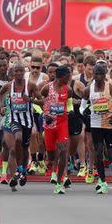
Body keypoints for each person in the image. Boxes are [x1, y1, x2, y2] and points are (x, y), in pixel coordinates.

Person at [79, 62, 112, 195]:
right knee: (98, 152)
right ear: (93, 75)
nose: (98, 76)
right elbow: (81, 106)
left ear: (105, 75)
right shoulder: (88, 89)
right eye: (96, 74)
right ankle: (102, 182)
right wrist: (84, 112)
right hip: (96, 125)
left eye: (101, 74)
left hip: (109, 124)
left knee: (111, 155)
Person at [0, 62, 39, 191]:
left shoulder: (31, 86)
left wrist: (31, 100)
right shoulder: (9, 86)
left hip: (27, 121)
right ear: (13, 73)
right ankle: (16, 172)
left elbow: (42, 100)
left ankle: (22, 171)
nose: (19, 74)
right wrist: (2, 106)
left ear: (24, 72)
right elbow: (0, 93)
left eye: (21, 71)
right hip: (13, 120)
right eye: (16, 71)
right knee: (15, 145)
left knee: (25, 149)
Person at [36, 65, 74, 194]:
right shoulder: (47, 88)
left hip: (62, 124)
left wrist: (70, 111)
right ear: (62, 77)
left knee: (63, 150)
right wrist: (44, 114)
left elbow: (68, 104)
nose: (70, 78)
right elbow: (38, 101)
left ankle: (59, 182)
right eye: (68, 76)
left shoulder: (68, 89)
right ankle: (53, 166)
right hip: (49, 126)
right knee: (52, 156)